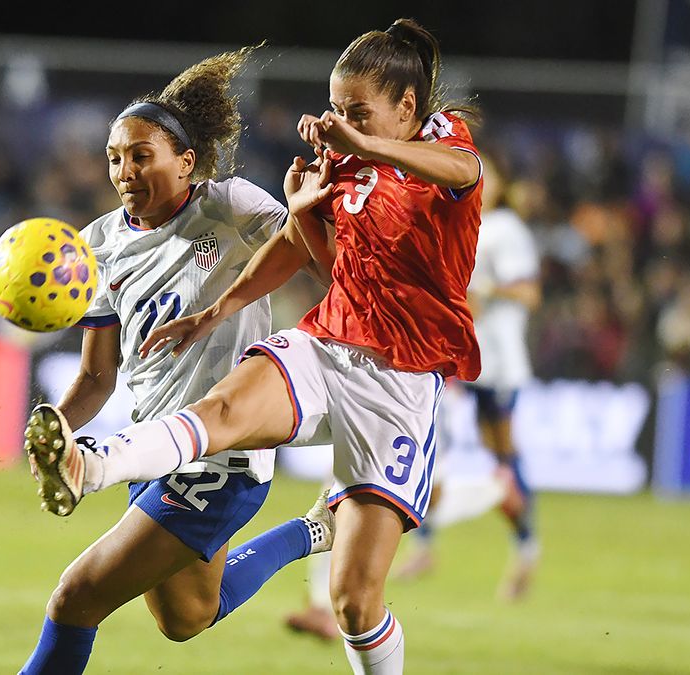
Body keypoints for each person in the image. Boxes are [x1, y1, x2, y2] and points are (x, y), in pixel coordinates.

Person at [28, 18, 482, 674]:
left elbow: (461, 171)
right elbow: (311, 251)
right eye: (335, 107)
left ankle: (100, 465)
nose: (340, 121)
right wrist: (225, 300)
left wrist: (360, 148)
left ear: (406, 107)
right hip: (327, 342)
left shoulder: (445, 147)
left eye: (357, 110)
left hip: (398, 378)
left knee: (354, 604)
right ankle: (98, 464)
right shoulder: (342, 156)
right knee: (185, 611)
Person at [18, 47, 336, 675]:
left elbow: (316, 256)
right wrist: (60, 424)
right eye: (115, 158)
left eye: (142, 155)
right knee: (186, 618)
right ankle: (314, 530)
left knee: (76, 597)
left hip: (222, 453)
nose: (125, 170)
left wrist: (307, 211)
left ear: (186, 161)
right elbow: (98, 375)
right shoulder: (99, 245)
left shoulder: (230, 207)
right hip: (153, 445)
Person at [395, 152, 543, 601]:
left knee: (502, 457)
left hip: (498, 359)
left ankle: (526, 549)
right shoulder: (465, 219)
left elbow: (529, 292)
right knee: (434, 442)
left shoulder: (506, 229)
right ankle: (425, 546)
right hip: (464, 356)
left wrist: (486, 291)